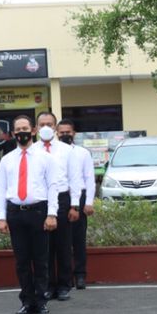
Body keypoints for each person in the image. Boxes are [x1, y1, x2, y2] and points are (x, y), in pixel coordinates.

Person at [0, 113, 60, 314]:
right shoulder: (6, 160)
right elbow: (0, 189)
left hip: (38, 212)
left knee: (41, 260)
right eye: (18, 130)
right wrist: (1, 217)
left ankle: (41, 301)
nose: (22, 133)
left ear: (33, 131)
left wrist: (52, 214)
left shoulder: (46, 158)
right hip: (15, 212)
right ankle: (26, 301)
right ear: (13, 133)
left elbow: (53, 187)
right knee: (22, 261)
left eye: (25, 129)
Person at [36, 111, 76, 300]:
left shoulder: (66, 150)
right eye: (42, 124)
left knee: (63, 244)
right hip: (41, 201)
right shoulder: (33, 150)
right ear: (36, 128)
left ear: (55, 127)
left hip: (61, 199)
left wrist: (74, 206)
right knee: (44, 246)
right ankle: (48, 285)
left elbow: (74, 179)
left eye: (49, 124)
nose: (46, 127)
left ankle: (64, 285)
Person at [58, 117, 97, 288]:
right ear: (56, 134)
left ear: (73, 133)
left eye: (68, 132)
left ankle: (80, 275)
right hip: (59, 198)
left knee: (78, 239)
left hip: (79, 197)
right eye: (62, 132)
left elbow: (89, 179)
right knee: (61, 241)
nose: (65, 135)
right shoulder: (51, 153)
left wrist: (88, 202)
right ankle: (63, 278)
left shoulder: (82, 153)